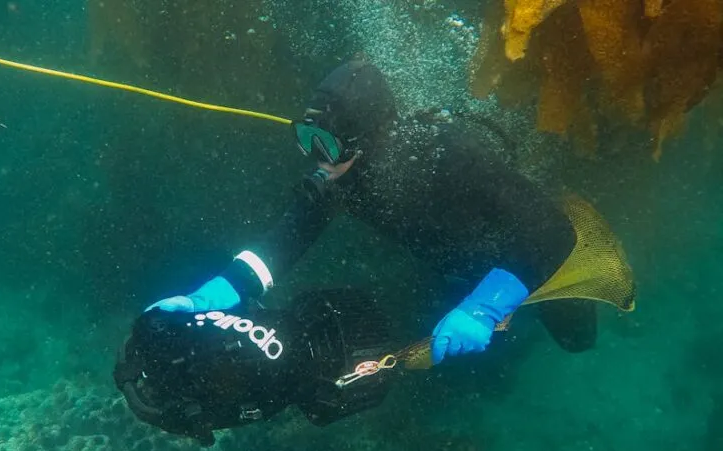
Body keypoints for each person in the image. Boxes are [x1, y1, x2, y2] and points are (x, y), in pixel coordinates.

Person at [146, 60, 598, 364]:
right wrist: (222, 290)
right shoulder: (345, 175)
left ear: (364, 141)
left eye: (326, 145)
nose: (315, 158)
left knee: (577, 340)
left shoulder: (449, 156)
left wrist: (485, 305)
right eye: (306, 138)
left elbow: (551, 232)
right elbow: (292, 235)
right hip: (448, 265)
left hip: (521, 256)